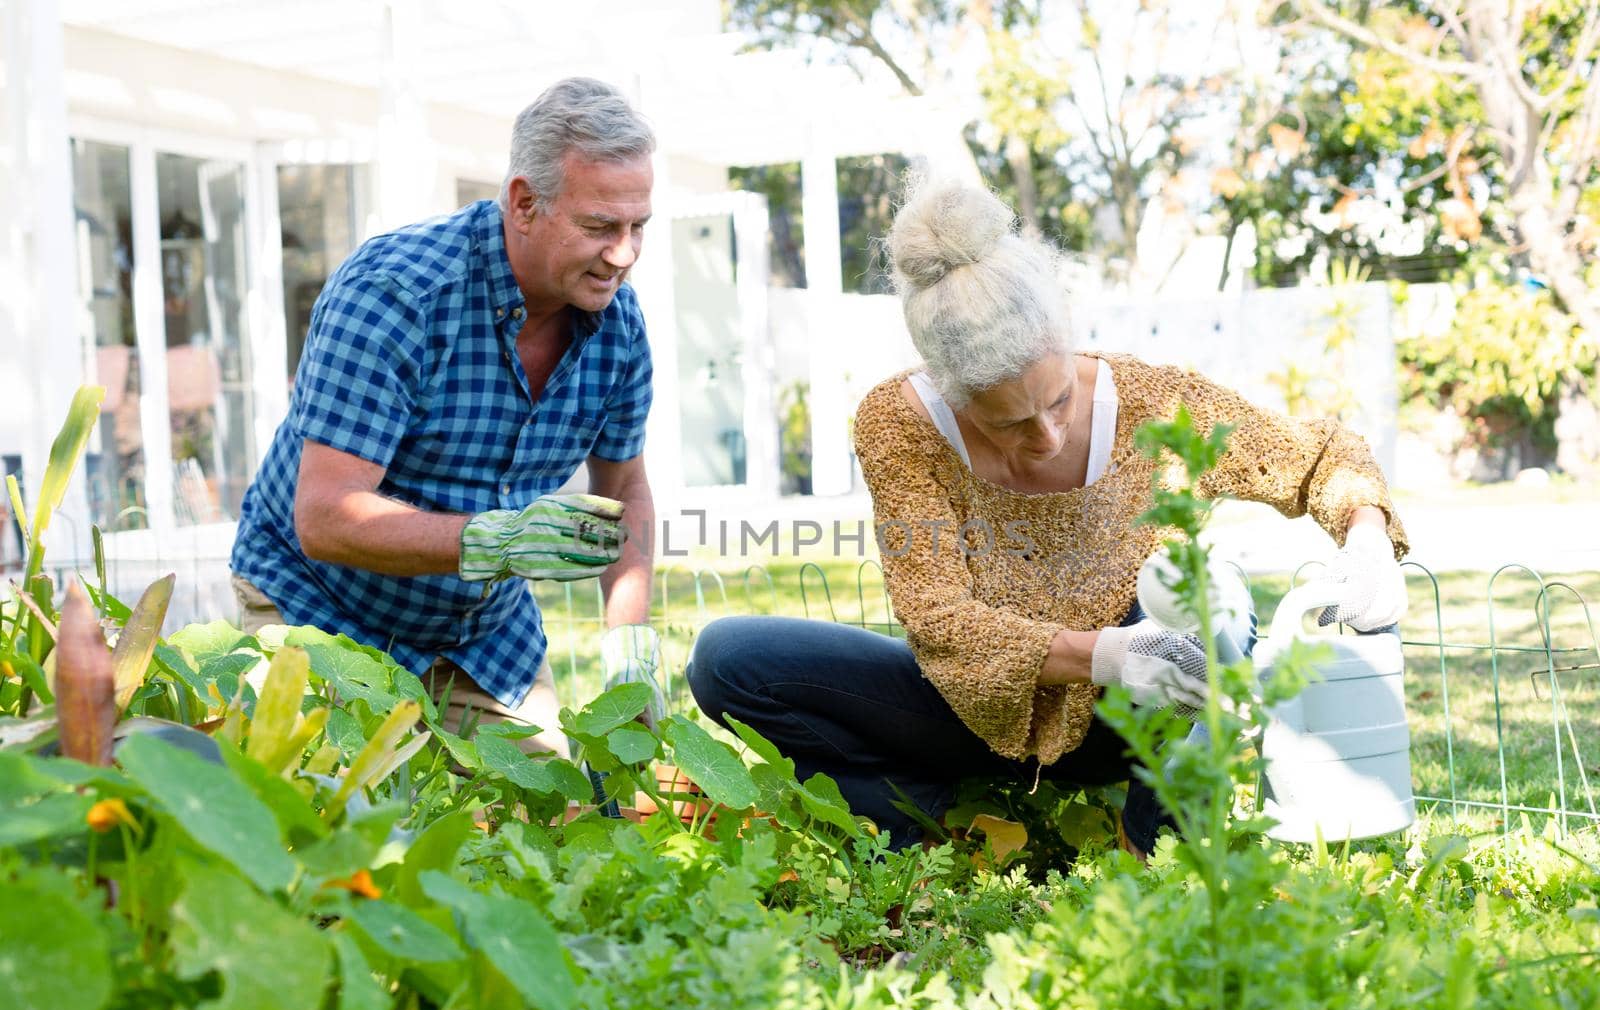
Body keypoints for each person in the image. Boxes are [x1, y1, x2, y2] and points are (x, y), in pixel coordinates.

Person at [686, 176, 1409, 855]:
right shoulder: (897, 423)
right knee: (727, 659)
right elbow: (935, 616)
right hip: (965, 709)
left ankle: (1155, 840)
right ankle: (919, 817)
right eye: (1011, 423)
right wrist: (1104, 651)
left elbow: (1319, 454)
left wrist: (1368, 533)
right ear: (954, 393)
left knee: (1211, 586)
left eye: (1059, 400)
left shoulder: (1154, 403)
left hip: (1127, 716)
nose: (1050, 436)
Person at [230, 77, 666, 753]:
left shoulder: (618, 326)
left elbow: (625, 487)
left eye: (638, 226)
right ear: (524, 203)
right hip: (316, 607)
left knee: (555, 826)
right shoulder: (397, 293)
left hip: (480, 635)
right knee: (343, 838)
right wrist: (496, 540)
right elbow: (322, 515)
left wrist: (631, 642)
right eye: (600, 227)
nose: (624, 254)